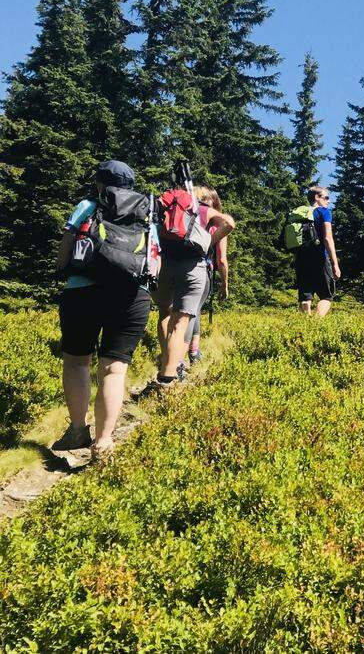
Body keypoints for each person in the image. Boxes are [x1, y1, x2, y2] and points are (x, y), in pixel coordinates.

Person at [51, 161, 156, 461]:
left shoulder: (87, 205)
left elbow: (68, 240)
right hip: (132, 293)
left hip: (83, 291)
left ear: (100, 183)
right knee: (114, 369)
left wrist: (62, 268)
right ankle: (104, 442)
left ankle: (76, 430)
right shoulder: (148, 211)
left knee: (76, 362)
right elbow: (154, 254)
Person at [149, 183, 234, 391]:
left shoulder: (173, 207)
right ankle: (169, 374)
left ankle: (166, 358)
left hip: (166, 263)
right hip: (193, 267)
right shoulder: (204, 210)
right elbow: (230, 223)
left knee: (164, 314)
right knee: (182, 322)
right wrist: (208, 241)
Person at [181, 186, 230, 372]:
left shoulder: (186, 217)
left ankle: (192, 351)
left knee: (183, 311)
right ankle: (184, 356)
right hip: (202, 271)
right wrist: (224, 284)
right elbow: (222, 260)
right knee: (192, 313)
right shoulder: (217, 225)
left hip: (177, 267)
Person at [295, 185, 340, 317]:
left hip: (300, 258)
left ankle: (305, 325)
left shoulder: (298, 213)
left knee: (305, 295)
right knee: (327, 295)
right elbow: (327, 238)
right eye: (326, 197)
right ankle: (316, 324)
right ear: (317, 197)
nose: (328, 201)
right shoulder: (324, 212)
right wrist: (335, 263)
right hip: (320, 257)